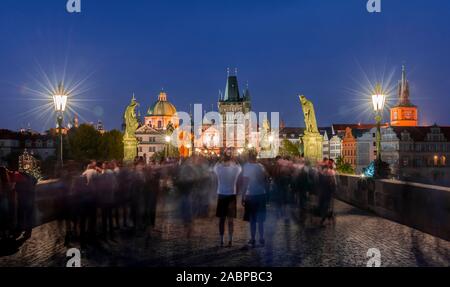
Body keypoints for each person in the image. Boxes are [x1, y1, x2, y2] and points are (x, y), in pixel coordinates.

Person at [213, 148, 242, 247]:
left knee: (221, 219)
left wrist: (221, 159)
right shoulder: (235, 169)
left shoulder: (219, 168)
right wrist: (235, 159)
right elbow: (240, 167)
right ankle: (230, 240)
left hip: (221, 195)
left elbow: (215, 166)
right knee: (230, 220)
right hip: (231, 195)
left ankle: (221, 240)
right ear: (231, 161)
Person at [242, 150, 268, 248]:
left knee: (252, 218)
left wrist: (243, 196)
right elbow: (266, 179)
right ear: (256, 157)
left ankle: (253, 239)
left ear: (249, 157)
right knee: (260, 218)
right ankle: (261, 238)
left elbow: (245, 182)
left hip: (251, 194)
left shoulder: (247, 167)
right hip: (261, 194)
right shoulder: (261, 166)